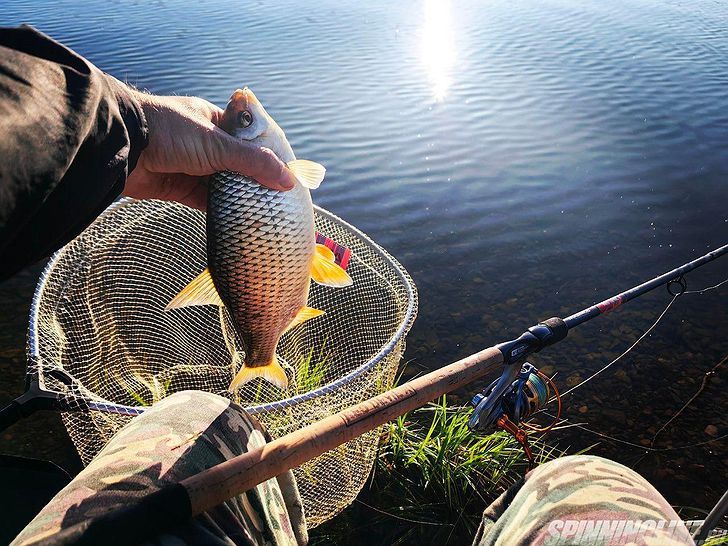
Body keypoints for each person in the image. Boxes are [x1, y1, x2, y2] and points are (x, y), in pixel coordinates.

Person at [1, 25, 696, 546]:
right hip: (236, 235)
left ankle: (255, 366)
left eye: (242, 122)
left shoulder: (250, 171)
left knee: (193, 418)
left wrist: (133, 128)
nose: (247, 112)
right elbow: (306, 183)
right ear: (256, 146)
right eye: (242, 124)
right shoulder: (272, 167)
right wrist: (126, 125)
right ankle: (261, 360)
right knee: (587, 497)